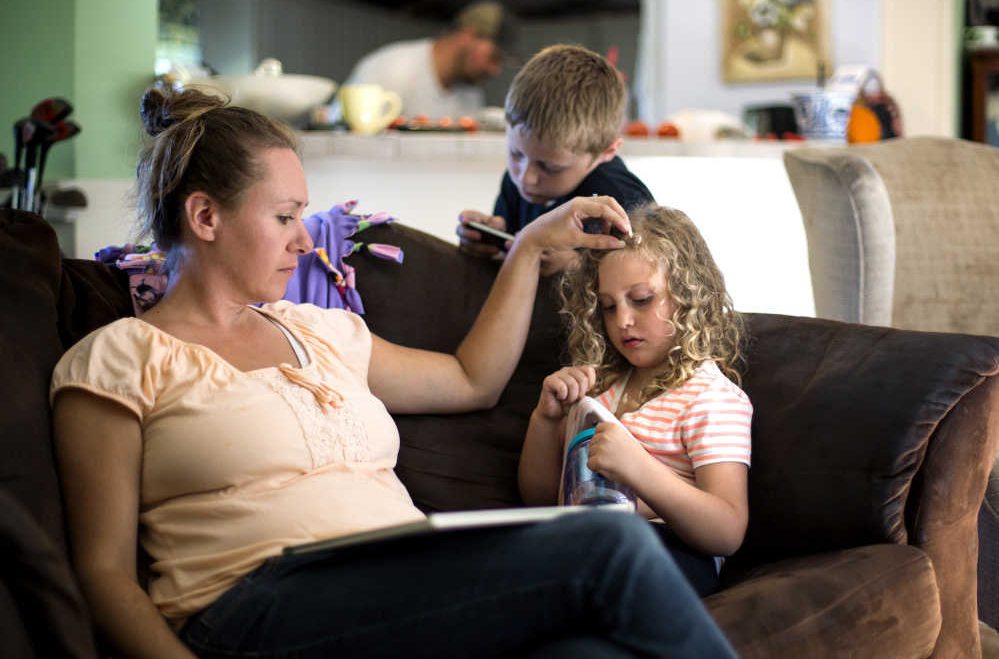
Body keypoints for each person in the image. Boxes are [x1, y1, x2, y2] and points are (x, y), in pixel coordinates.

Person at [49, 87, 740, 659]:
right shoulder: (119, 357)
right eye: (286, 216)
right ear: (204, 216)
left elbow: (473, 379)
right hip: (256, 606)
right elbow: (104, 573)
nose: (303, 236)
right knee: (607, 541)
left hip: (401, 587)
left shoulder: (319, 330)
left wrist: (526, 247)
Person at [518, 203, 753, 598]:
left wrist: (638, 469)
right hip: (583, 543)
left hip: (669, 550)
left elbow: (727, 530)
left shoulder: (711, 398)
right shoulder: (600, 388)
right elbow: (540, 497)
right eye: (608, 307)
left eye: (641, 299)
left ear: (688, 294)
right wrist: (546, 418)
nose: (622, 320)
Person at [457, 44, 653, 276]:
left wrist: (574, 264)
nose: (525, 177)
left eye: (550, 167)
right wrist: (492, 249)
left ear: (607, 151)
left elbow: (654, 272)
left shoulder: (620, 193)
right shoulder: (515, 182)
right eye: (516, 154)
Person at [341, 0, 517, 120]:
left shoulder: (470, 93)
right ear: (467, 36)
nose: (495, 70)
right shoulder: (393, 70)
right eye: (494, 57)